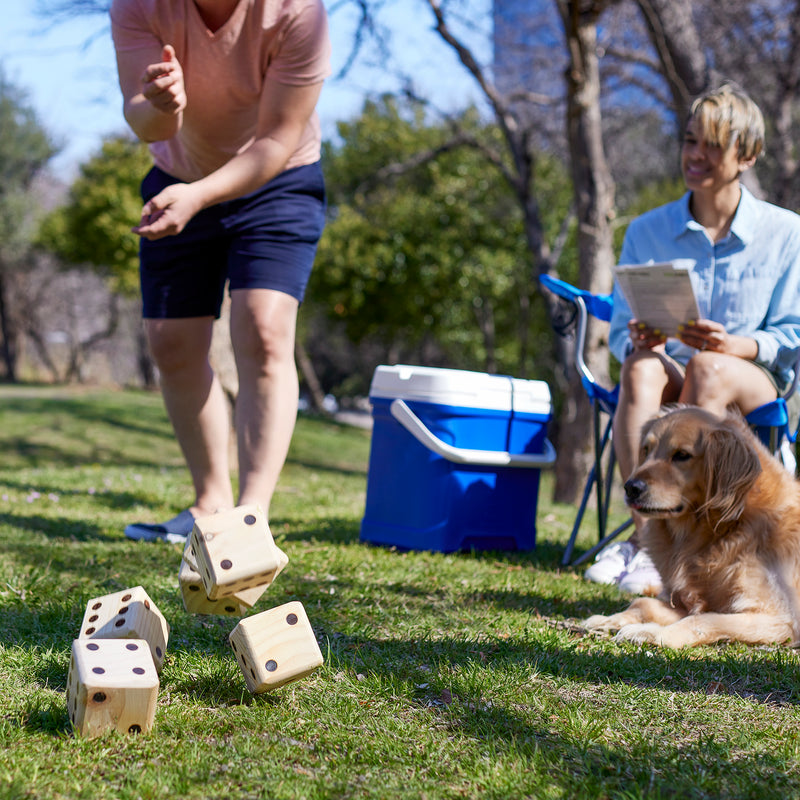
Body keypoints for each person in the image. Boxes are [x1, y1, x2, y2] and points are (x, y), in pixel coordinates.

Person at [109, 0, 331, 543]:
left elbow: (277, 139)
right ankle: (209, 506)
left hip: (279, 180)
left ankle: (250, 518)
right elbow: (142, 120)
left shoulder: (299, 13)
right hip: (177, 172)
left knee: (263, 329)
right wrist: (163, 106)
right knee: (172, 344)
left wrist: (200, 198)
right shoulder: (138, 5)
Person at [585, 83, 800, 593]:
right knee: (639, 365)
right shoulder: (646, 230)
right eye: (688, 141)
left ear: (746, 155)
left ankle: (680, 541)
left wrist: (738, 345)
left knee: (709, 367)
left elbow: (793, 333)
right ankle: (646, 540)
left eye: (711, 144)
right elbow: (618, 334)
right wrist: (641, 338)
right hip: (671, 379)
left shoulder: (787, 232)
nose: (695, 155)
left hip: (752, 383)